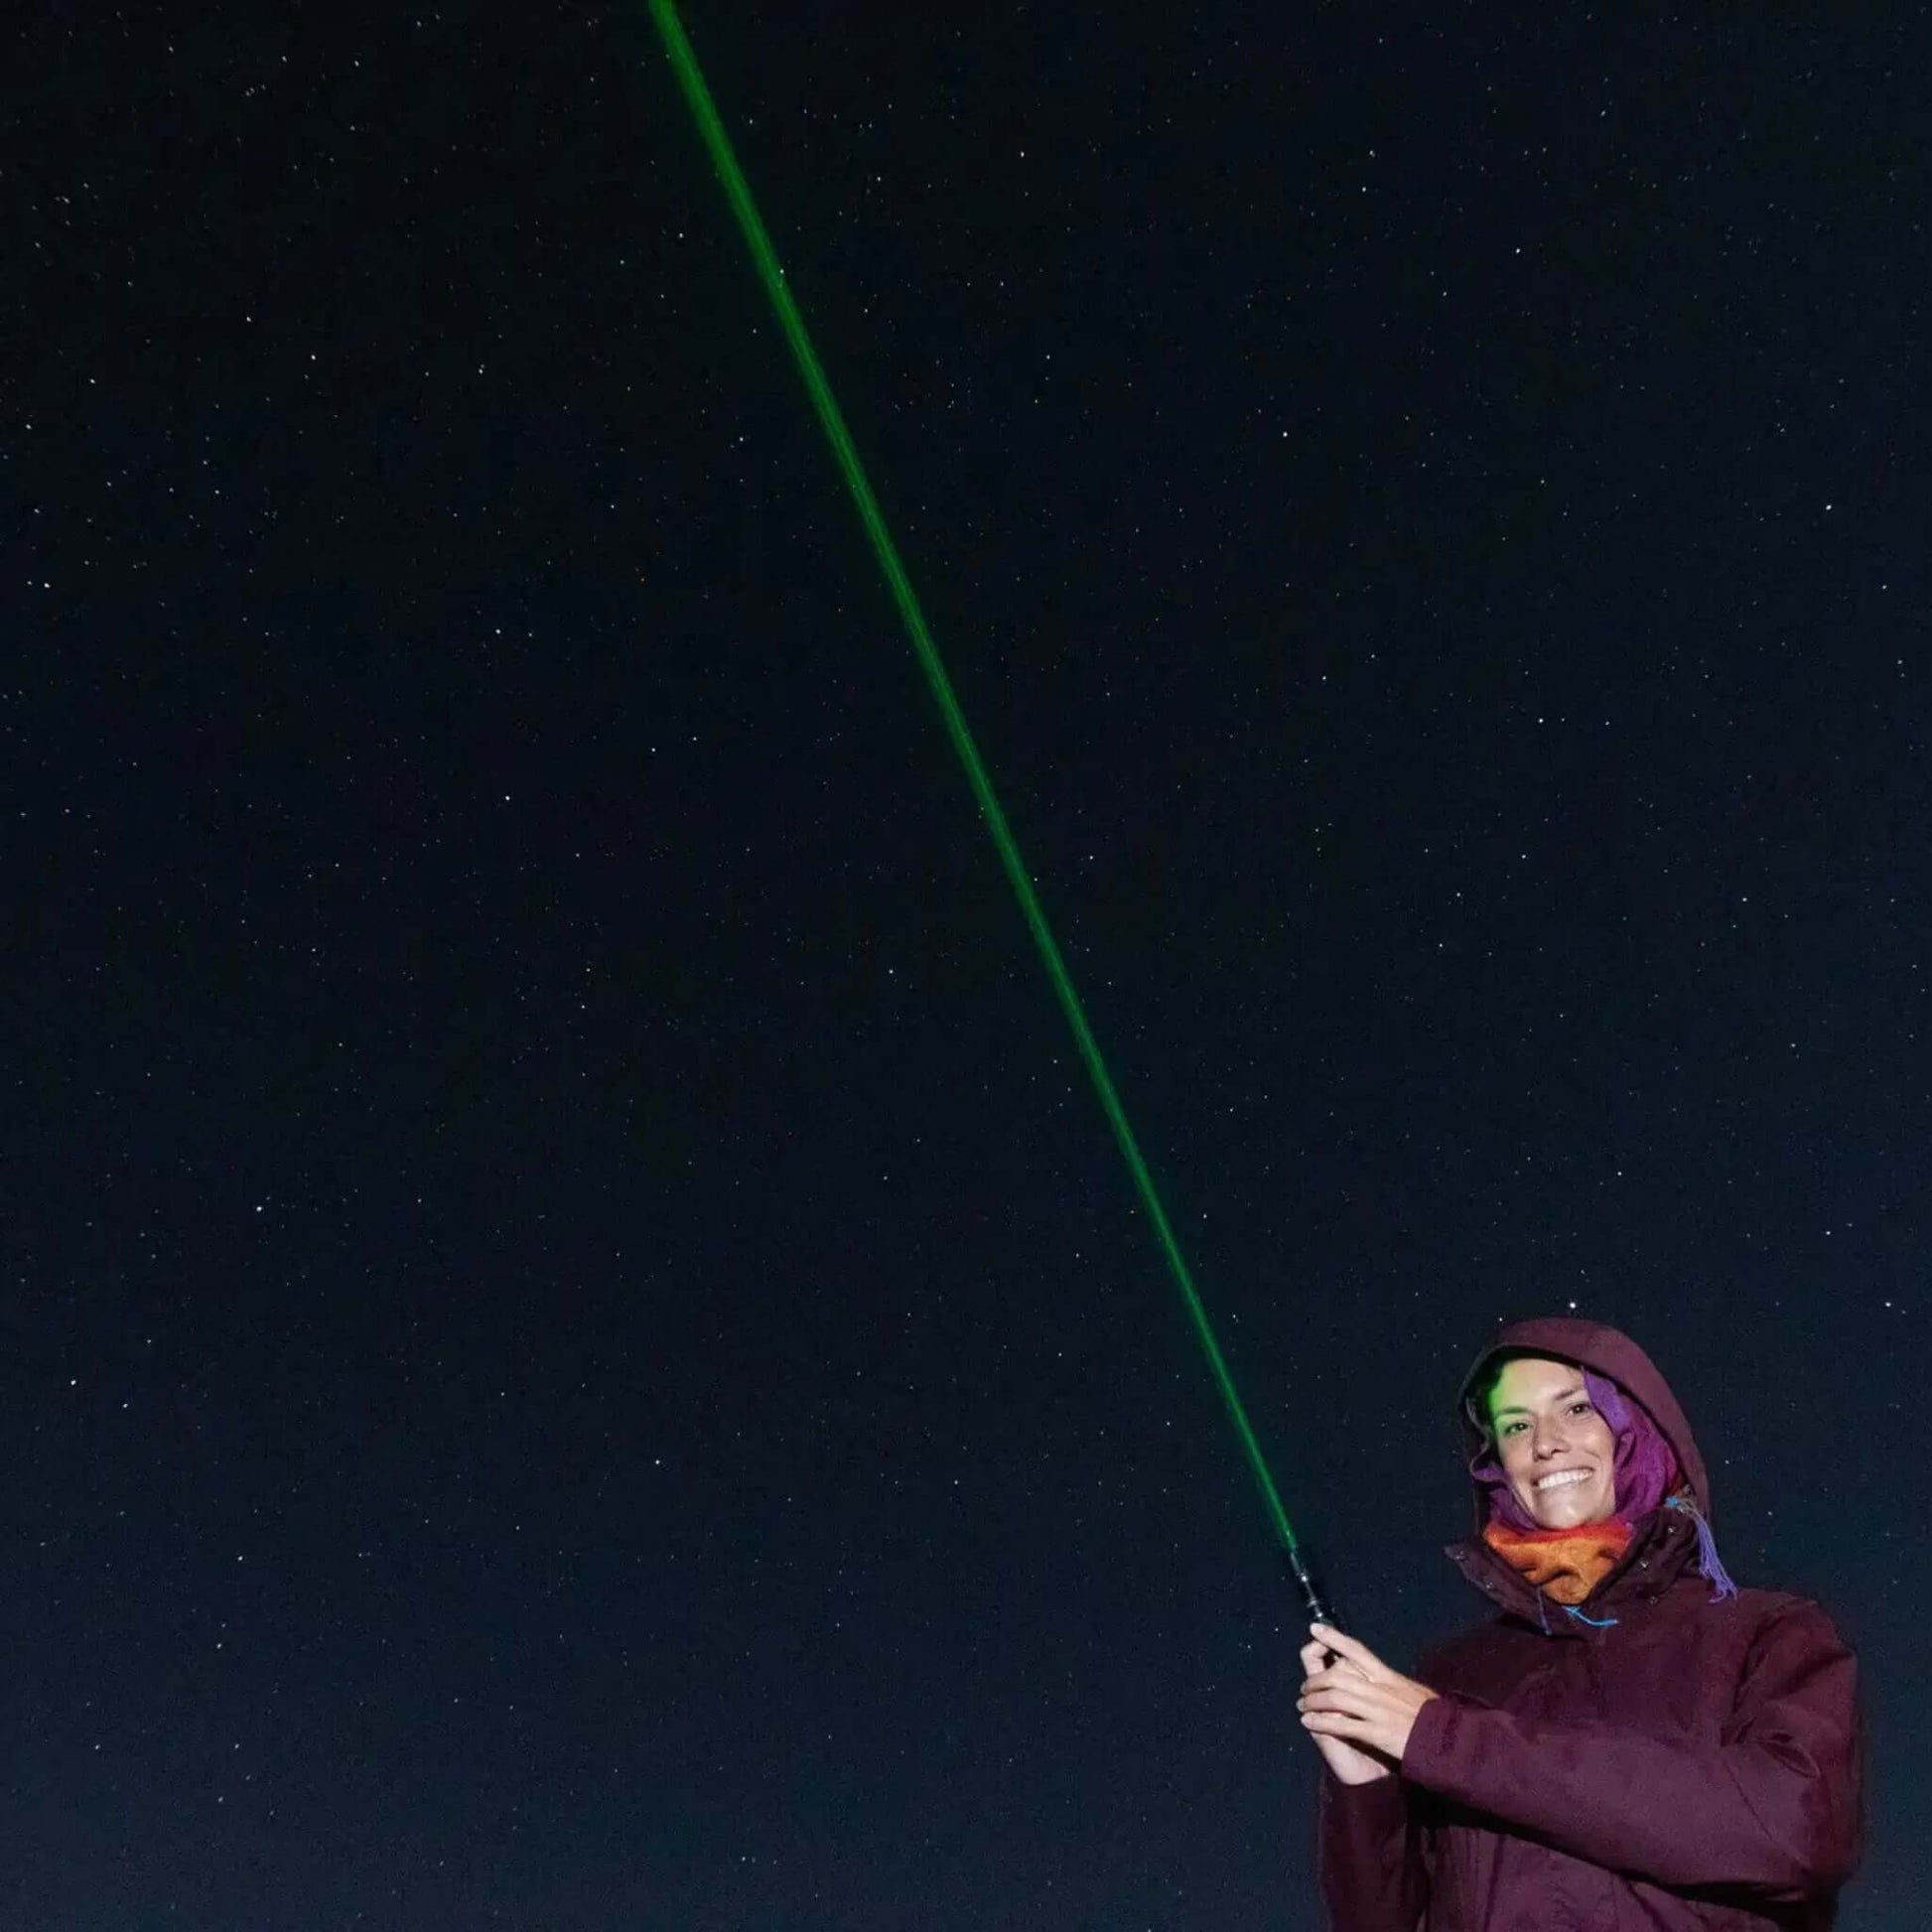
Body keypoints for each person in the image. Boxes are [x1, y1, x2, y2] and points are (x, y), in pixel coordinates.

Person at [1299, 1314, 1863, 1930]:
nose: (1544, 1443)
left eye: (1576, 1410)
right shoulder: (1451, 1674)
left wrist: (1444, 1739)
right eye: (1516, 1425)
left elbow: (1794, 1834)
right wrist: (1369, 1791)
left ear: (1636, 1431)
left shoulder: (1768, 1630)